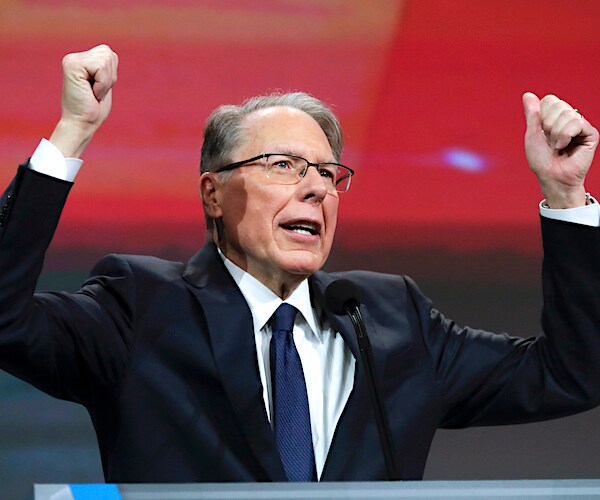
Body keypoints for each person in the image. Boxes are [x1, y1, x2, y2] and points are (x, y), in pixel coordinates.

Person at [1, 44, 599, 483]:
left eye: (328, 173)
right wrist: (72, 132)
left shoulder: (390, 319)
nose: (315, 188)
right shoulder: (140, 307)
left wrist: (567, 195)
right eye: (283, 165)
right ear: (213, 193)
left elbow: (573, 372)